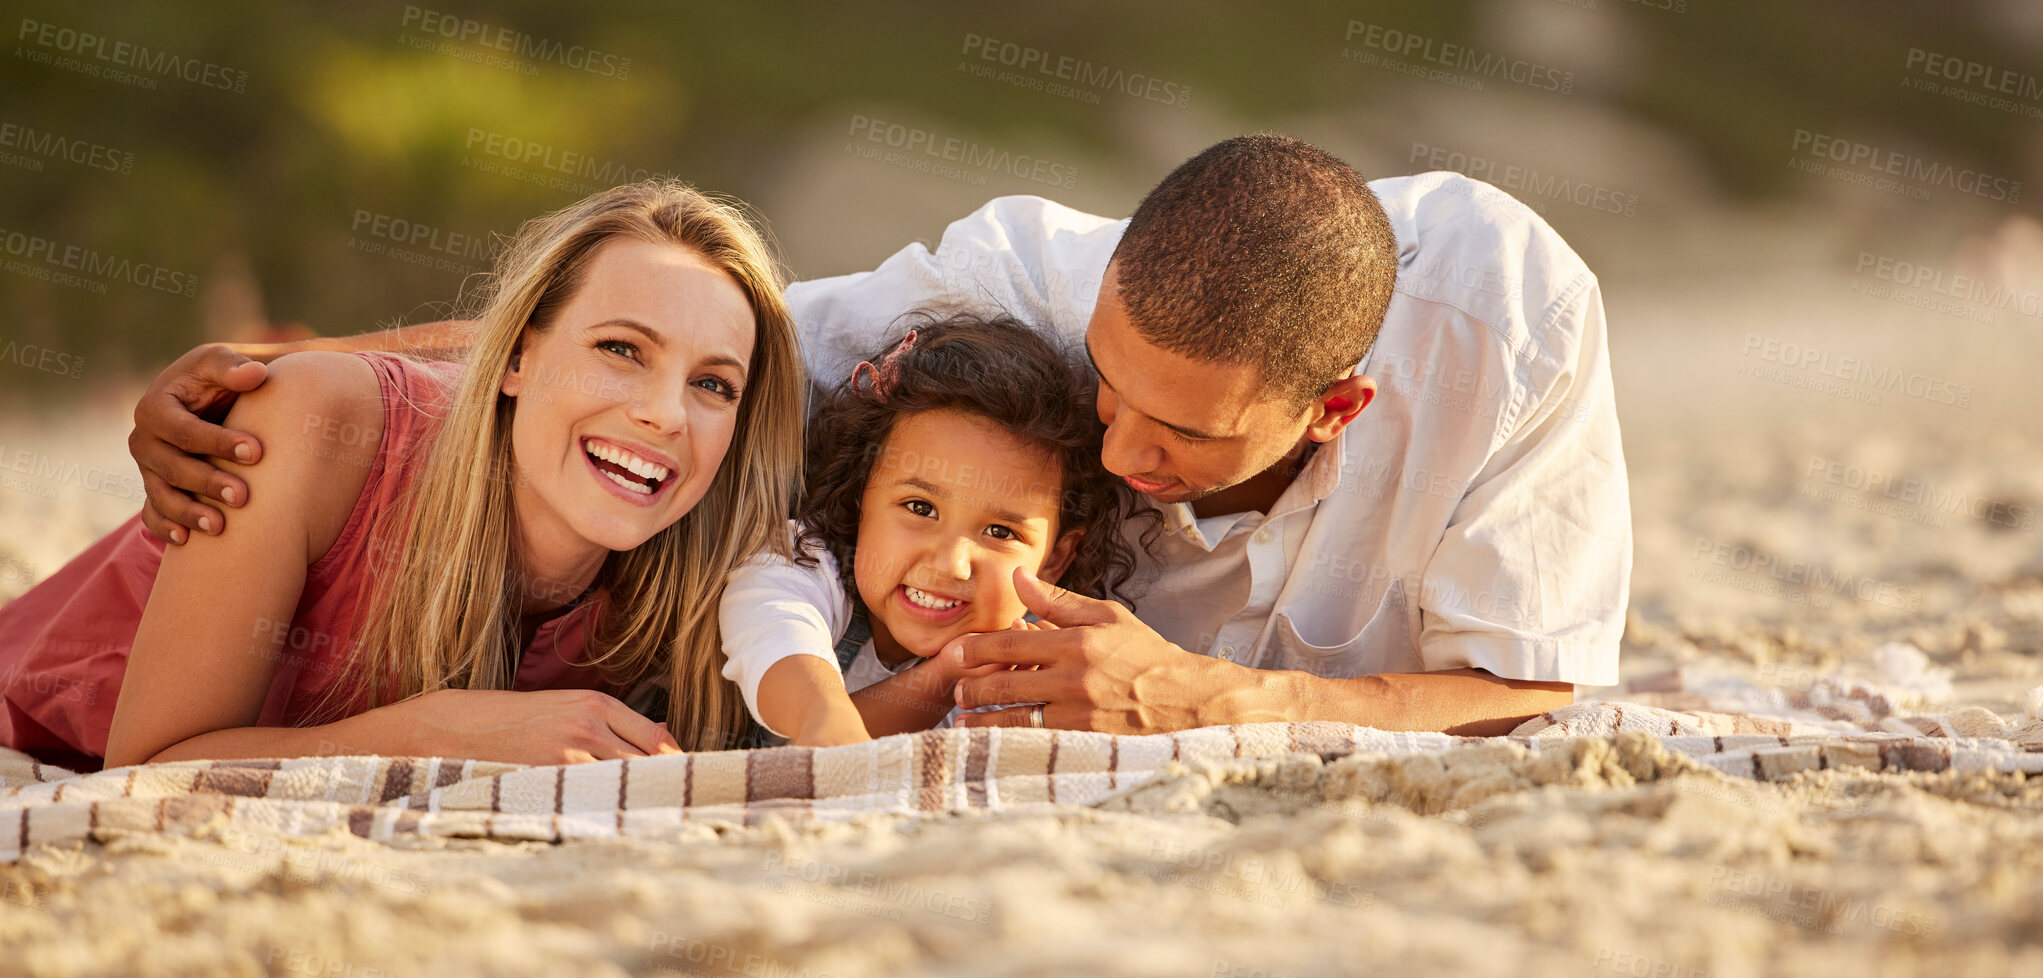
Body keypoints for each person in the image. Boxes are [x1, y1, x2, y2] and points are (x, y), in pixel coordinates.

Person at [126, 134, 1629, 738]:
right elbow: (700, 329)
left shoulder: (1510, 326)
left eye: (1173, 435)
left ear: (1337, 409)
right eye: (1103, 384)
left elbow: (1532, 687)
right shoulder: (1021, 276)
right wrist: (285, 368)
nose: (1113, 443)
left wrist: (1210, 695)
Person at [0, 179, 807, 770]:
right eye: (621, 350)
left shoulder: (708, 558)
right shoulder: (318, 428)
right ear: (517, 357)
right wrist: (435, 730)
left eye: (713, 384)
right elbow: (151, 766)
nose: (666, 414)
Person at [719, 314, 1156, 745]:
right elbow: (793, 672)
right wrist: (946, 674)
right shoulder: (796, 564)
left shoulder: (1036, 673)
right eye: (920, 507)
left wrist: (957, 672)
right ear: (860, 497)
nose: (950, 563)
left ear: (1055, 560)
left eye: (1000, 532)